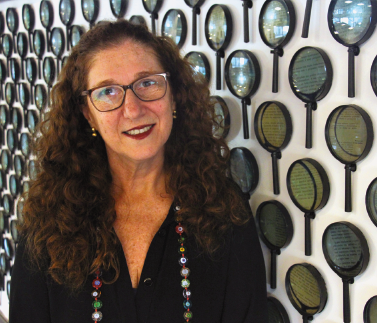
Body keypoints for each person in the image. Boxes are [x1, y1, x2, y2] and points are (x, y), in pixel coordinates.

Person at [9, 19, 267, 323]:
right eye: (107, 92)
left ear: (173, 94)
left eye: (147, 82)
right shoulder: (50, 223)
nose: (132, 109)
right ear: (87, 114)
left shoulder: (224, 210)